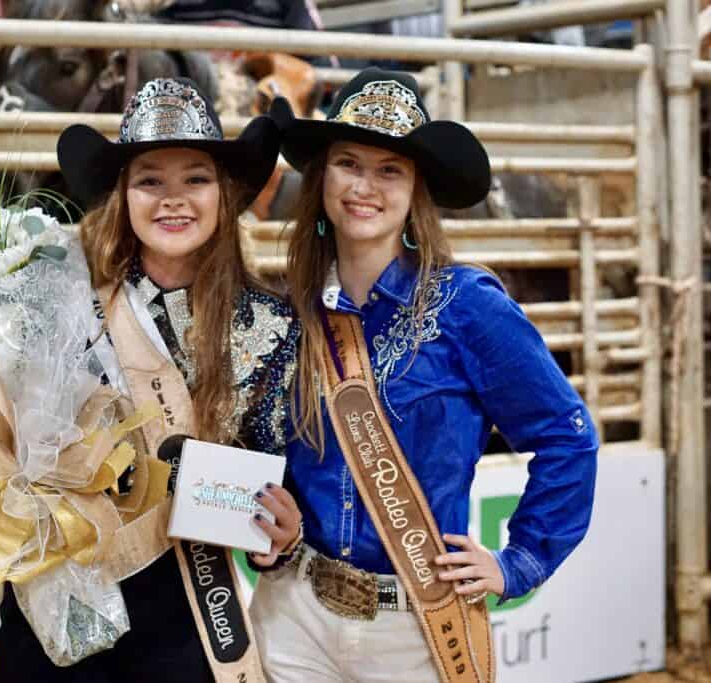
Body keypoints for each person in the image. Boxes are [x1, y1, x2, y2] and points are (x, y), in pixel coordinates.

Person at [250, 67, 599, 682]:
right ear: (323, 177)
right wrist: (277, 520)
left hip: (414, 626)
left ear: (415, 192)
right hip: (294, 611)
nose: (365, 186)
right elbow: (278, 453)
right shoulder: (294, 309)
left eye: (391, 170)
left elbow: (567, 435)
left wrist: (518, 562)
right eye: (349, 163)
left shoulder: (468, 305)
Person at [0, 77, 303, 683]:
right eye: (150, 180)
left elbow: (273, 471)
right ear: (123, 195)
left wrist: (281, 536)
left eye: (196, 178)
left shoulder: (270, 321)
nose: (173, 199)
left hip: (186, 601)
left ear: (226, 192)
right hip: (57, 592)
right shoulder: (55, 291)